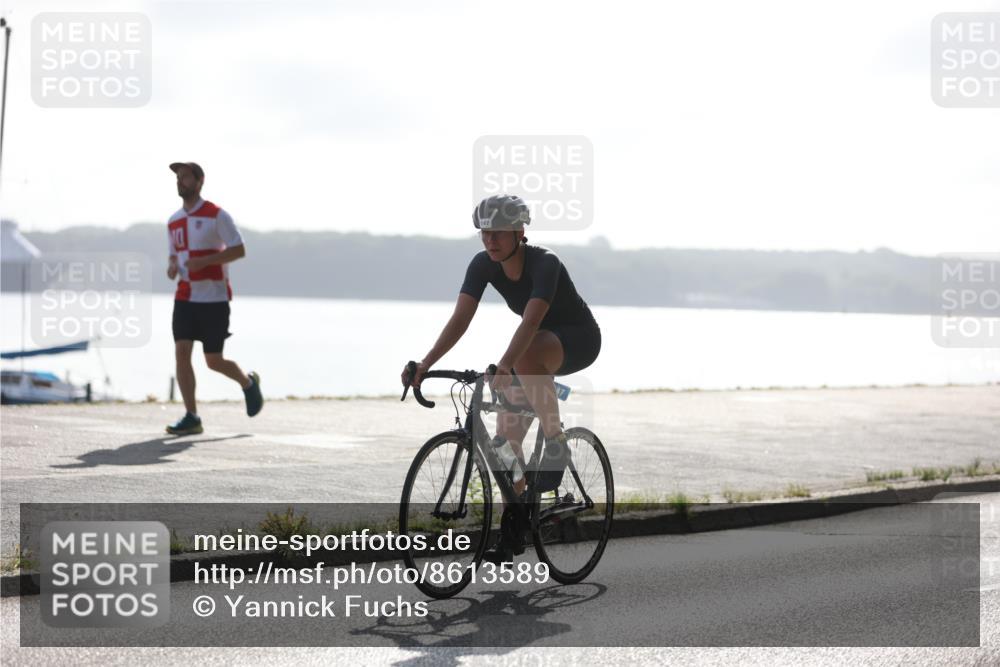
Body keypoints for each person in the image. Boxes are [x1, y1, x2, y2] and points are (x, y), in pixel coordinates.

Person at [401, 194, 601, 562]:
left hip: (577, 339)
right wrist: (426, 363)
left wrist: (505, 365)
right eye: (484, 233)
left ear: (520, 233)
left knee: (525, 357)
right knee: (503, 445)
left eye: (498, 233)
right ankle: (518, 521)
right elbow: (460, 319)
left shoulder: (545, 263)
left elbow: (532, 321)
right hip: (530, 353)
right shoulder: (483, 265)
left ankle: (556, 443)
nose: (490, 240)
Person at [165, 161, 263, 435]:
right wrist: (172, 267)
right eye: (178, 177)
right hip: (184, 296)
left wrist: (206, 261)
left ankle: (248, 384)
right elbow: (174, 255)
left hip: (214, 299)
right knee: (181, 353)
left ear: (199, 181)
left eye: (185, 177)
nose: (180, 181)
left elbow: (239, 250)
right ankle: (191, 416)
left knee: (213, 360)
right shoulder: (173, 221)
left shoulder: (216, 215)